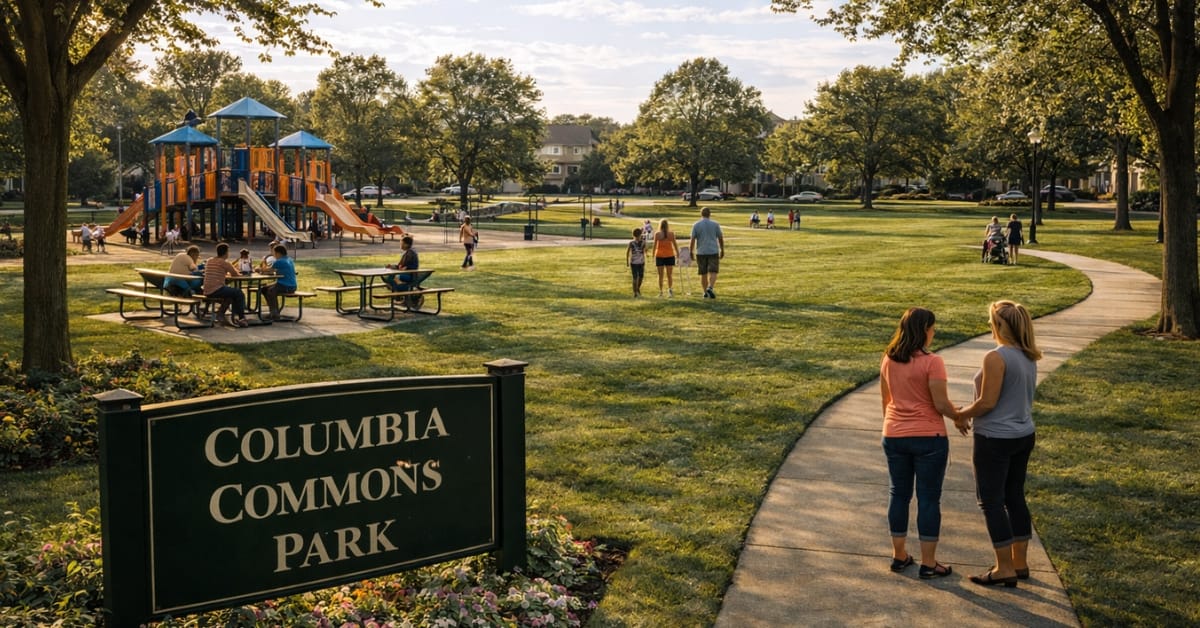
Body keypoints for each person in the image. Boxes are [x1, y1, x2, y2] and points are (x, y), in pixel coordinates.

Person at [956, 300, 1043, 588]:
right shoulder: (1028, 355)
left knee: (991, 501)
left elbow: (987, 403)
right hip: (1022, 435)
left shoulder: (997, 357)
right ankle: (1019, 563)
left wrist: (960, 414)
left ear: (998, 325)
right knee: (1014, 496)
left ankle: (1003, 567)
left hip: (995, 438)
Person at [879, 307, 959, 580]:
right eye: (933, 328)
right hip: (929, 438)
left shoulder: (888, 359)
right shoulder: (932, 361)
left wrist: (893, 427)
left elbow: (886, 401)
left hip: (894, 434)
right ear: (925, 330)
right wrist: (959, 416)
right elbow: (940, 403)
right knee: (928, 499)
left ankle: (899, 556)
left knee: (898, 494)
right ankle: (928, 563)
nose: (934, 333)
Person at [203, 242, 249, 328]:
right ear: (226, 252)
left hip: (206, 289)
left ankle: (221, 314)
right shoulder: (224, 263)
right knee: (239, 293)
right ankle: (241, 317)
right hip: (216, 289)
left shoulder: (210, 260)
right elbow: (235, 274)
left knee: (230, 296)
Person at [689, 207, 725, 299]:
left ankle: (705, 292)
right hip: (713, 250)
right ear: (710, 214)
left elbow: (692, 239)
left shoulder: (696, 225)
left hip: (701, 251)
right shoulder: (715, 224)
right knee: (713, 270)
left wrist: (691, 251)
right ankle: (710, 287)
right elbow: (720, 238)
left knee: (703, 272)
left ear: (701, 214)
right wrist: (722, 249)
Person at [260, 245, 297, 321]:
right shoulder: (289, 259)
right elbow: (277, 271)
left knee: (271, 291)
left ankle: (274, 313)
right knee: (264, 289)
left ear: (278, 253)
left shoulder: (279, 261)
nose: (273, 255)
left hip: (286, 285)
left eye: (274, 253)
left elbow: (268, 270)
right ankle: (274, 311)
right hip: (291, 285)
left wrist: (260, 268)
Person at [652, 218, 679, 297]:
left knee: (660, 275)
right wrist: (677, 253)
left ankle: (661, 292)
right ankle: (670, 290)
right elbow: (675, 244)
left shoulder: (657, 234)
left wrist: (653, 255)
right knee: (669, 275)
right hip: (670, 255)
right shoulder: (671, 234)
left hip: (659, 255)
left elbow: (654, 246)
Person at [626, 227, 647, 297]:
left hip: (641, 262)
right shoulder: (631, 243)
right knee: (635, 277)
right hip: (634, 262)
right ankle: (635, 292)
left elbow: (645, 251)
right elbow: (628, 252)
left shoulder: (643, 242)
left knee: (640, 277)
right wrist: (627, 261)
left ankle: (637, 289)